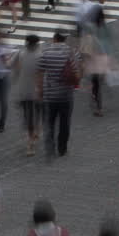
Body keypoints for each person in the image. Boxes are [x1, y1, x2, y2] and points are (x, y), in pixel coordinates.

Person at [38, 29, 80, 160]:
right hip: (66, 94)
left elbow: (39, 71)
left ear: (54, 38)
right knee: (64, 122)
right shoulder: (69, 52)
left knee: (49, 121)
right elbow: (76, 71)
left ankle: (50, 145)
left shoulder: (46, 52)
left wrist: (40, 90)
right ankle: (62, 148)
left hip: (50, 94)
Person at [12, 34, 41, 156]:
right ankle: (33, 135)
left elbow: (14, 68)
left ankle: (31, 141)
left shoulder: (21, 54)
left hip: (25, 90)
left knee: (29, 116)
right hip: (35, 90)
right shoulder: (40, 55)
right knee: (34, 114)